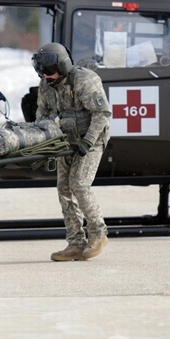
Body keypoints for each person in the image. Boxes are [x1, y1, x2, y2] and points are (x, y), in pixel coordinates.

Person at [32, 43, 111, 261]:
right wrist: (43, 139)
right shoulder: (46, 84)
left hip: (92, 139)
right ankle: (75, 243)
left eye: (49, 71)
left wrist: (88, 141)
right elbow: (43, 113)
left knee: (79, 184)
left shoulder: (84, 80)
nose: (45, 76)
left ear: (62, 66)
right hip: (66, 141)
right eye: (42, 71)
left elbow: (102, 114)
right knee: (64, 189)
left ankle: (98, 234)